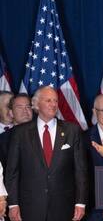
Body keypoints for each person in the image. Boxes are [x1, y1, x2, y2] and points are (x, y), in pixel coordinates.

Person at [5, 86, 88, 221]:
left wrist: (80, 203)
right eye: (48, 100)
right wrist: (13, 204)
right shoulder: (20, 133)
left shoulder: (72, 131)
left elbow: (80, 171)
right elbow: (12, 172)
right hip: (30, 207)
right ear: (36, 104)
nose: (54, 104)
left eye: (55, 101)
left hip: (64, 207)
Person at [0, 93, 33, 171]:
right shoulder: (3, 140)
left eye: (28, 107)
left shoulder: (43, 132)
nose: (25, 111)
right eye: (19, 107)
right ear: (11, 113)